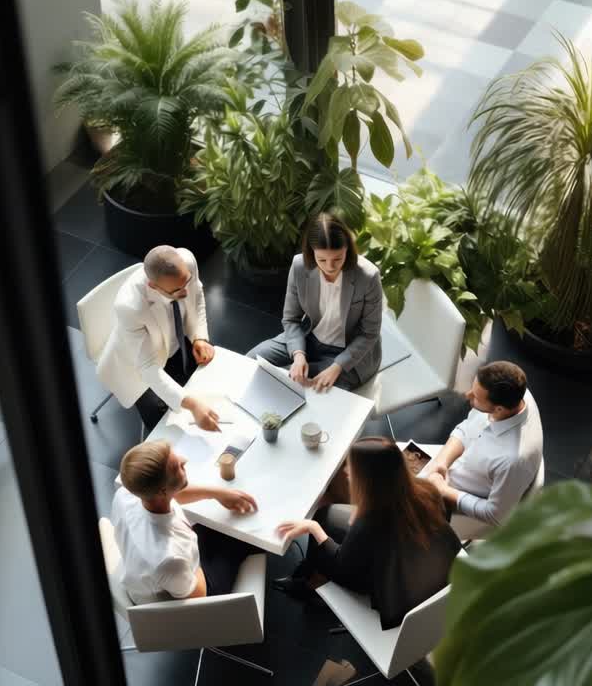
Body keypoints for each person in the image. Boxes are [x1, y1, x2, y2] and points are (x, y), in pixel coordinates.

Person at [274, 437, 461, 630]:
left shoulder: (370, 522)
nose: (346, 471)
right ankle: (309, 575)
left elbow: (342, 569)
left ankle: (310, 584)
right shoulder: (426, 491)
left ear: (368, 479)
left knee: (320, 526)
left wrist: (312, 528)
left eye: (351, 468)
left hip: (395, 595)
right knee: (326, 515)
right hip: (429, 573)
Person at [248, 212, 382, 393]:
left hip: (349, 351)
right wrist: (298, 355)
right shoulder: (299, 265)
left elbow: (369, 334)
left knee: (312, 391)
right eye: (322, 259)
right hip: (309, 336)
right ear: (311, 252)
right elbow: (291, 319)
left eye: (337, 259)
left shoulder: (368, 276)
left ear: (347, 250)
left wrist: (338, 366)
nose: (330, 266)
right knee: (251, 360)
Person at [111, 440, 259, 603]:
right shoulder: (169, 559)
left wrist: (218, 493)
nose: (184, 460)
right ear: (162, 491)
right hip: (195, 591)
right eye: (177, 467)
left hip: (162, 574)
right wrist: (194, 550)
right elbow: (199, 596)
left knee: (219, 525)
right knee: (244, 536)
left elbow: (173, 494)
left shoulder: (126, 493)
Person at [98, 245, 222, 432]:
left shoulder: (187, 261)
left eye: (186, 282)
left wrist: (200, 337)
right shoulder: (130, 307)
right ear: (153, 286)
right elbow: (148, 368)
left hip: (176, 344)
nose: (185, 292)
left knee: (211, 384)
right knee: (164, 427)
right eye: (177, 291)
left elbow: (197, 297)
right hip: (138, 366)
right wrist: (193, 405)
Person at [420, 361, 544, 530]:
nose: (467, 395)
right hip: (446, 470)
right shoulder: (519, 394)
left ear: (499, 409)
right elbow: (466, 429)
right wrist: (441, 462)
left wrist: (443, 491)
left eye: (476, 397)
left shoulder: (512, 461)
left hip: (454, 501)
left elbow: (496, 515)